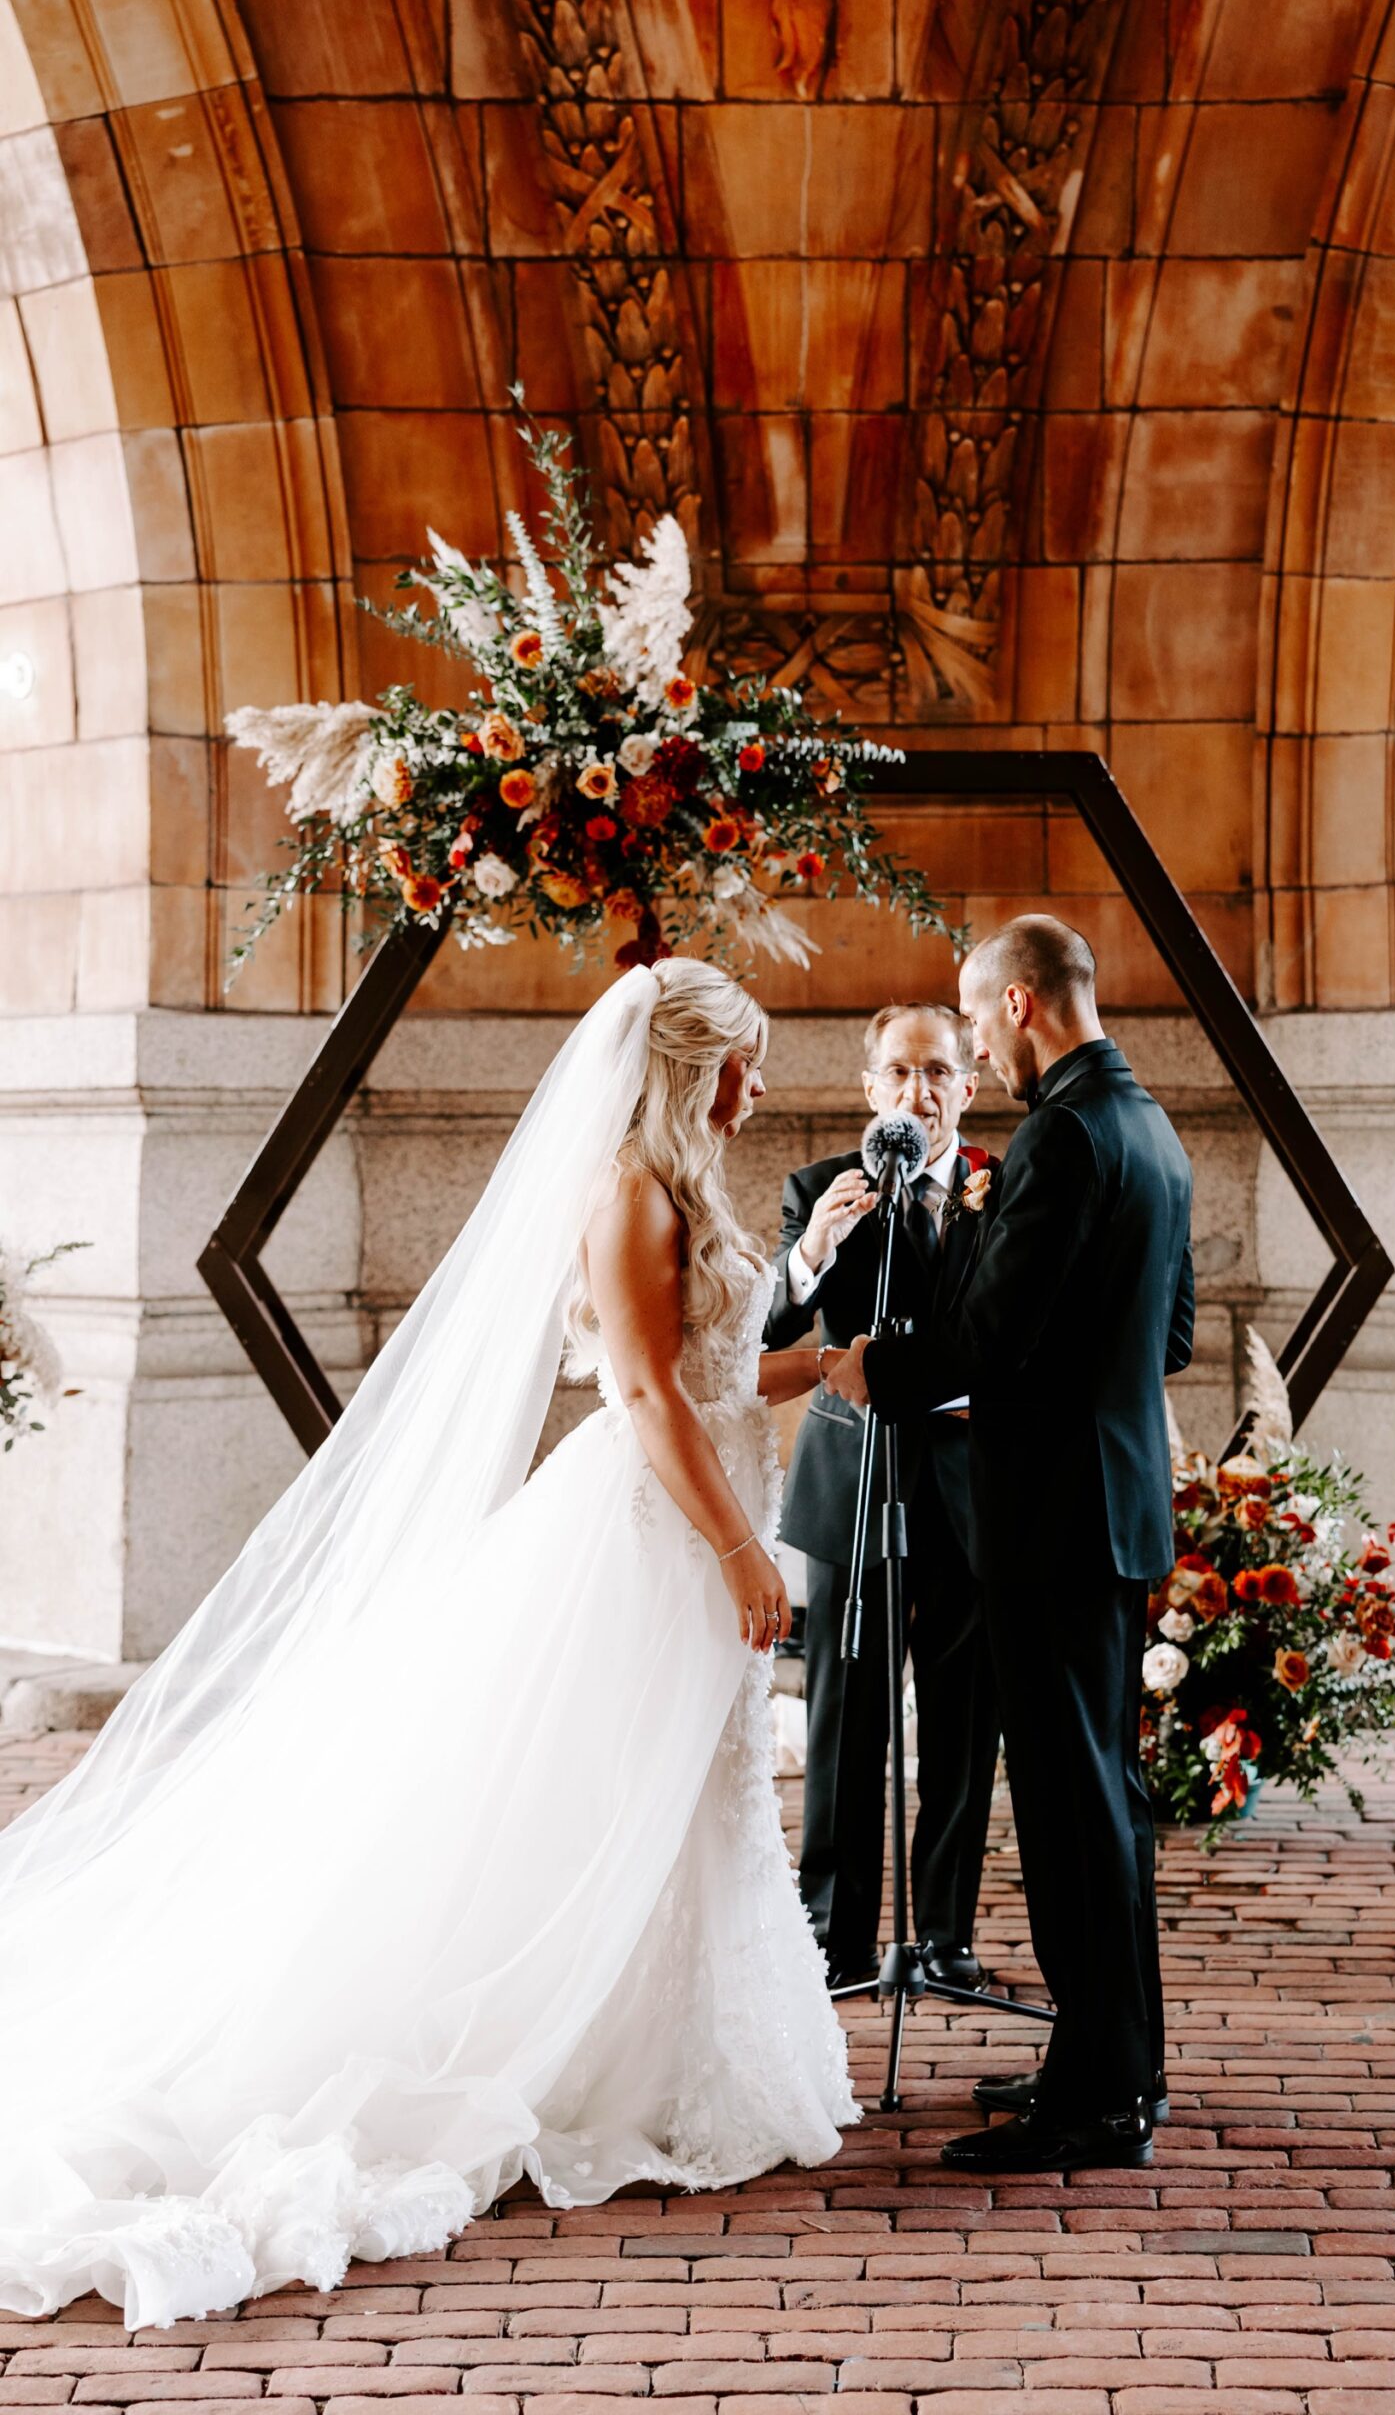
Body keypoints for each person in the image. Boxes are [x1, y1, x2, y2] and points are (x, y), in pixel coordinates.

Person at [0, 961, 854, 2330]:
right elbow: (640, 1390)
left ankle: (671, 2057)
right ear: (685, 1069)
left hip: (698, 1528)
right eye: (738, 1068)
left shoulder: (682, 1189)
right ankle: (588, 2059)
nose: (755, 1095)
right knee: (608, 1793)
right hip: (650, 1544)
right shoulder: (630, 1192)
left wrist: (817, 1370)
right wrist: (742, 1552)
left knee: (698, 1795)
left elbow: (705, 1372)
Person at [826, 914, 1194, 2174]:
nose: (978, 1042)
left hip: (1047, 1520)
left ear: (1022, 1004)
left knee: (1069, 1807)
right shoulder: (1150, 1126)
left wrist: (865, 1363)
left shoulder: (1062, 1137)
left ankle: (1093, 2101)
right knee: (1106, 1803)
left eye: (979, 1021)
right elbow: (1172, 1333)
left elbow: (982, 1340)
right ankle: (1112, 2056)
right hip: (1115, 1504)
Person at [765, 1002, 1002, 1991]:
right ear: (869, 1088)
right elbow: (774, 1326)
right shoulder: (820, 1188)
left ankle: (942, 1936)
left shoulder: (1009, 1189)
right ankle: (834, 1933)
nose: (920, 1092)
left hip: (966, 1486)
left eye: (938, 1072)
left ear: (968, 1084)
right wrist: (811, 1252)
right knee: (842, 1720)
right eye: (900, 1073)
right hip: (852, 1482)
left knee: (959, 1721)